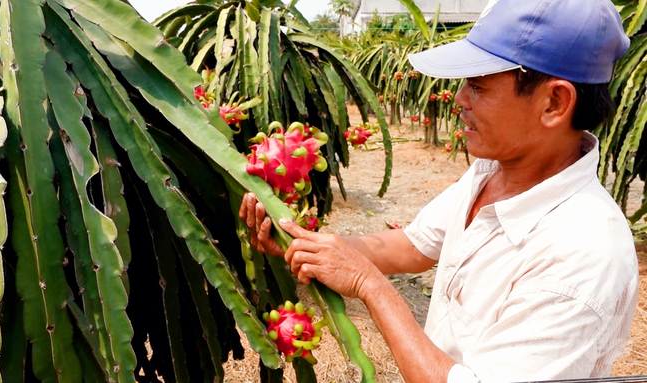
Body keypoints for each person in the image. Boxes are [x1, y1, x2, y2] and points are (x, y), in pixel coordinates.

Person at [239, 0, 640, 381]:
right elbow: (414, 247)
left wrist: (369, 285)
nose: (458, 99)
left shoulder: (585, 256)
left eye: (479, 87)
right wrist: (310, 245)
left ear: (554, 102)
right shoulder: (492, 170)